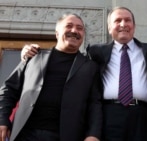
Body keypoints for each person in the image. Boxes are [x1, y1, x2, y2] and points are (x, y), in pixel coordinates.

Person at [19, 7, 147, 141]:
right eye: (117, 21)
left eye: (127, 20)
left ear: (134, 26)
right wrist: (30, 51)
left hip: (143, 116)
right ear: (109, 28)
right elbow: (69, 57)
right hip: (109, 115)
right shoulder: (96, 51)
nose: (123, 24)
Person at [0, 13, 102, 141]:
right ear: (57, 33)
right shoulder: (34, 56)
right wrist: (2, 119)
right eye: (69, 26)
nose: (74, 31)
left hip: (64, 136)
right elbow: (8, 89)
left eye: (80, 28)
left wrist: (93, 134)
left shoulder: (90, 67)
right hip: (24, 133)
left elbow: (95, 104)